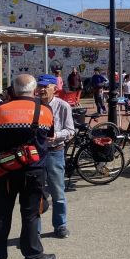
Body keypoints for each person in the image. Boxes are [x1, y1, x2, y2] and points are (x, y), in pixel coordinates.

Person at [0, 74, 57, 259]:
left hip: (4, 171)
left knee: (1, 214)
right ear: (34, 91)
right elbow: (49, 135)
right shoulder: (44, 110)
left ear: (13, 91)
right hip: (33, 171)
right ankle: (33, 256)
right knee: (31, 214)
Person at [37, 74, 75, 240]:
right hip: (36, 153)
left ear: (54, 88)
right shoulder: (34, 105)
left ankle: (60, 225)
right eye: (40, 86)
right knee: (35, 193)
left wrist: (57, 135)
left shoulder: (63, 106)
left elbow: (70, 130)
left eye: (46, 86)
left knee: (57, 191)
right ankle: (34, 230)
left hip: (54, 151)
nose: (42, 89)